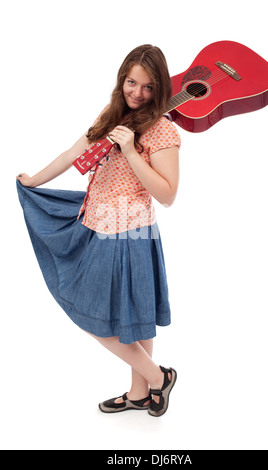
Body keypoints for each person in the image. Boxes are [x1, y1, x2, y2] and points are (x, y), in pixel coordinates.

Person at [16, 44, 181, 417]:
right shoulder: (113, 115)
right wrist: (34, 181)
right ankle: (140, 393)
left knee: (105, 318)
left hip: (130, 233)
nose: (137, 93)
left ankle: (157, 379)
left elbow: (168, 194)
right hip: (96, 223)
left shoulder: (163, 132)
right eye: (131, 82)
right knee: (127, 317)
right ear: (121, 80)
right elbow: (73, 154)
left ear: (161, 90)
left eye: (148, 87)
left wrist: (132, 151)